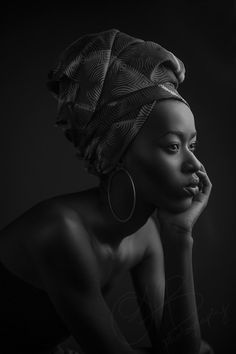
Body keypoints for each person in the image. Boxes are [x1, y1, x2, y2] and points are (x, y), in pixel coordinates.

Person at [0, 29, 214, 354]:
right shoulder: (61, 232)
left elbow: (180, 348)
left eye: (192, 145)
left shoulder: (145, 234)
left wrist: (179, 235)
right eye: (173, 146)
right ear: (116, 152)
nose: (194, 164)